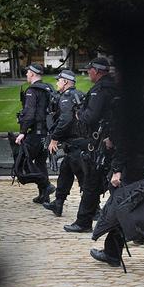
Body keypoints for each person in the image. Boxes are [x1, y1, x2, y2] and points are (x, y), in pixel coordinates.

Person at [90, 79, 144, 268]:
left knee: (123, 206)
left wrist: (116, 169)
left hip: (134, 163)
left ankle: (112, 252)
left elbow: (125, 142)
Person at [64, 57, 117, 233]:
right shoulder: (115, 86)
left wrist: (80, 114)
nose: (88, 72)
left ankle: (84, 221)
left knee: (92, 182)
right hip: (115, 140)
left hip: (102, 142)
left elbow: (91, 117)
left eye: (90, 70)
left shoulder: (100, 90)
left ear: (97, 71)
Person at [44, 70, 85, 218]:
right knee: (65, 173)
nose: (57, 83)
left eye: (59, 80)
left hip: (75, 144)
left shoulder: (66, 98)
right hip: (78, 143)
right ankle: (58, 203)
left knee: (83, 178)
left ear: (66, 82)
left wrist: (54, 138)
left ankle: (95, 209)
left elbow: (65, 120)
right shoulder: (79, 94)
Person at [15, 63, 56, 205]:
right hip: (47, 133)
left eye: (27, 73)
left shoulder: (32, 90)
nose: (26, 74)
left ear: (32, 74)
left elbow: (30, 113)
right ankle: (44, 195)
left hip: (37, 133)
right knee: (40, 163)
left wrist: (22, 132)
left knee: (22, 162)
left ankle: (46, 185)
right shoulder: (48, 88)